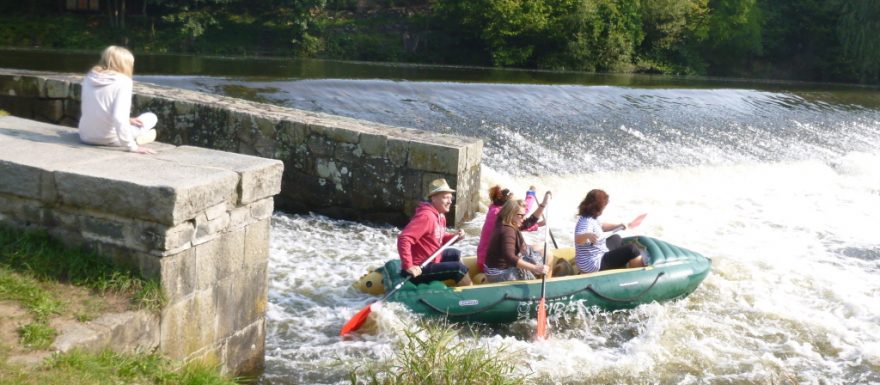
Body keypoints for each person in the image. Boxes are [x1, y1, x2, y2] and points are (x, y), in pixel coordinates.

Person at [78, 45, 158, 155]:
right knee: (151, 117)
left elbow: (97, 108)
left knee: (130, 122)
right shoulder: (123, 82)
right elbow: (119, 118)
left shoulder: (89, 77)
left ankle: (138, 134)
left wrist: (128, 120)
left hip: (85, 136)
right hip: (110, 139)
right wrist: (132, 147)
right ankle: (140, 136)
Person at [397, 178, 472, 287]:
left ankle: (462, 285)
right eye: (445, 197)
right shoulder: (426, 217)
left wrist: (455, 236)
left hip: (432, 258)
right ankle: (470, 293)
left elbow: (438, 237)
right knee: (459, 269)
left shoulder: (440, 215)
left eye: (451, 198)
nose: (450, 201)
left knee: (455, 254)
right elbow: (404, 238)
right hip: (420, 268)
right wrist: (409, 266)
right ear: (433, 198)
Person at [574, 189, 644, 273]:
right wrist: (587, 235)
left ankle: (624, 262)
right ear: (599, 207)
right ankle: (639, 274)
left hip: (595, 255)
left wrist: (618, 225)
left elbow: (602, 226)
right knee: (632, 250)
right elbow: (578, 239)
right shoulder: (586, 222)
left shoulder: (590, 215)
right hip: (593, 265)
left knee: (616, 238)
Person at [484, 199, 550, 283]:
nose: (523, 218)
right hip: (501, 274)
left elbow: (529, 222)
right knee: (548, 256)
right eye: (521, 215)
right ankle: (547, 283)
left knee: (542, 250)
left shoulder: (504, 221)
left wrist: (543, 204)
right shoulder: (507, 230)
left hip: (494, 270)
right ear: (511, 214)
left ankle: (542, 278)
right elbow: (509, 257)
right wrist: (535, 268)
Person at [476, 185, 514, 272]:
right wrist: (531, 194)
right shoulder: (499, 214)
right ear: (507, 200)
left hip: (483, 261)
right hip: (489, 265)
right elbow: (521, 223)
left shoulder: (493, 208)